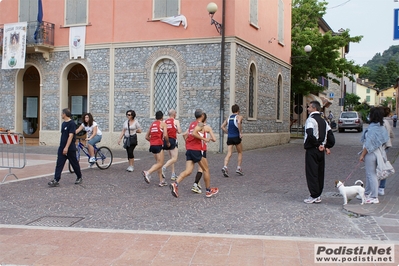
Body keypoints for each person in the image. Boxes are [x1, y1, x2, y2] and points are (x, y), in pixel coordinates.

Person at [170, 109, 219, 198]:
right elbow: (194, 133)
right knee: (206, 169)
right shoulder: (200, 124)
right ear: (202, 116)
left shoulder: (192, 124)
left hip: (189, 150)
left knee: (188, 171)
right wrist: (205, 139)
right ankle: (208, 191)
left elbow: (188, 134)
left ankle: (175, 184)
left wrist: (188, 144)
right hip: (197, 150)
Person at [303, 101, 335, 204]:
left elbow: (310, 134)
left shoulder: (310, 120)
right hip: (321, 150)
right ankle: (318, 194)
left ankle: (314, 195)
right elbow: (331, 136)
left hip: (313, 149)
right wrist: (326, 146)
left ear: (313, 108)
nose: (307, 109)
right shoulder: (324, 121)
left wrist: (317, 145)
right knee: (320, 172)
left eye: (309, 107)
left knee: (312, 173)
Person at [359, 107, 389, 204]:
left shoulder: (373, 128)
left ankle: (374, 196)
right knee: (370, 174)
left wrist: (362, 155)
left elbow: (368, 144)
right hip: (378, 152)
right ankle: (367, 193)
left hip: (371, 153)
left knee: (371, 175)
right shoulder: (381, 126)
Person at [48, 108, 82, 187]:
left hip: (70, 148)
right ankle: (56, 179)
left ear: (65, 114)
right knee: (59, 163)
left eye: (62, 113)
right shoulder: (63, 124)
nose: (61, 115)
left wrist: (66, 147)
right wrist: (62, 147)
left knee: (74, 163)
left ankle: (79, 177)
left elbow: (70, 136)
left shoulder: (72, 124)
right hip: (62, 147)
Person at [142, 111, 170, 186]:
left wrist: (152, 141)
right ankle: (147, 172)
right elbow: (165, 135)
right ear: (162, 117)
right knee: (160, 163)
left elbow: (146, 137)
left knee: (158, 164)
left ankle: (161, 181)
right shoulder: (163, 124)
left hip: (152, 145)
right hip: (159, 145)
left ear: (155, 117)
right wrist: (167, 143)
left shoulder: (152, 125)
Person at [191, 112, 216, 194]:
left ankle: (197, 184)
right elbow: (214, 139)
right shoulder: (206, 127)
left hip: (193, 148)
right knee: (203, 168)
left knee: (199, 168)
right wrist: (208, 139)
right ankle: (198, 185)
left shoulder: (194, 125)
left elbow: (185, 135)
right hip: (202, 149)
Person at [221, 104, 244, 177]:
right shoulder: (239, 117)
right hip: (236, 137)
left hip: (230, 137)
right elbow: (239, 122)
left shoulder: (228, 118)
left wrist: (227, 132)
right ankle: (238, 168)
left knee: (229, 153)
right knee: (240, 152)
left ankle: (225, 166)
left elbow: (222, 126)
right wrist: (240, 132)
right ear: (238, 110)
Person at [162, 109, 182, 180]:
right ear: (174, 114)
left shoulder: (164, 121)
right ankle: (164, 167)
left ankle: (173, 174)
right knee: (174, 158)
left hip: (166, 140)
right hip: (173, 140)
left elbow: (162, 132)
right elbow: (179, 131)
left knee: (171, 158)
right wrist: (176, 129)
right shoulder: (176, 121)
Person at [378, 107, 394, 196]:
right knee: (382, 166)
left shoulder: (381, 123)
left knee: (378, 167)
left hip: (381, 147)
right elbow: (392, 135)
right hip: (385, 146)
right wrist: (389, 144)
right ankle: (381, 187)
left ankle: (379, 187)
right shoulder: (387, 122)